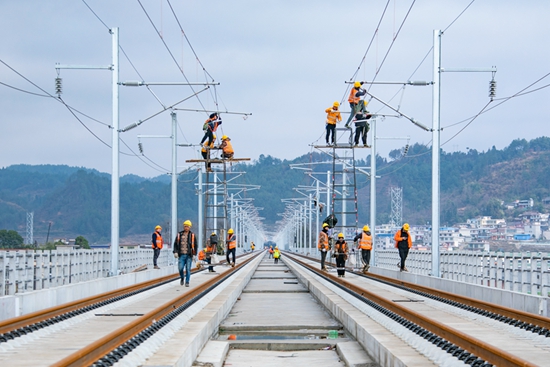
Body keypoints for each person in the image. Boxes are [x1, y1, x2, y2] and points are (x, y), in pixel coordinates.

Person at [173, 220, 197, 286]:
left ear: (190, 227)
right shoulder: (179, 235)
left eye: (187, 226)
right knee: (180, 268)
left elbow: (195, 245)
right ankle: (182, 277)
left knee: (188, 269)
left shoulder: (192, 235)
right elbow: (175, 244)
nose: (186, 228)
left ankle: (187, 282)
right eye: (185, 226)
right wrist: (175, 252)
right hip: (181, 255)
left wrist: (194, 254)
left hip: (189, 255)